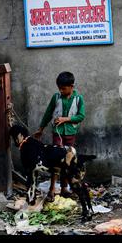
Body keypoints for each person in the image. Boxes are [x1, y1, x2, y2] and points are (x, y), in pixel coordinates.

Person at [34, 71, 86, 201]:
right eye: (59, 88)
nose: (61, 91)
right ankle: (51, 190)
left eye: (64, 88)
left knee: (67, 162)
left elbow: (81, 116)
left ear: (71, 86)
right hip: (57, 134)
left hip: (70, 134)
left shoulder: (78, 99)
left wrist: (65, 119)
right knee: (56, 161)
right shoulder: (56, 97)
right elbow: (48, 113)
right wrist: (41, 129)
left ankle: (64, 188)